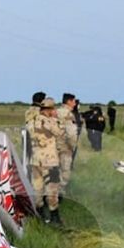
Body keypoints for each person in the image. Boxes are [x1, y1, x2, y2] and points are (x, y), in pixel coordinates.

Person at [29, 97, 65, 225]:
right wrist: (57, 119)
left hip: (35, 160)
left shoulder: (32, 121)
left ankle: (39, 214)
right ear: (49, 109)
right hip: (49, 161)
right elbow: (60, 132)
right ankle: (54, 216)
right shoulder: (49, 122)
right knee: (52, 189)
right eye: (53, 108)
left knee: (37, 188)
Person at [58, 93, 80, 197]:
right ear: (69, 101)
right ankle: (59, 193)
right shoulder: (68, 114)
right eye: (74, 101)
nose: (75, 103)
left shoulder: (55, 112)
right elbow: (71, 134)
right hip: (65, 147)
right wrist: (73, 147)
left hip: (53, 147)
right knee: (65, 171)